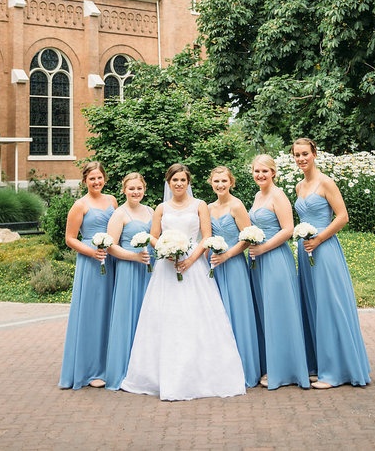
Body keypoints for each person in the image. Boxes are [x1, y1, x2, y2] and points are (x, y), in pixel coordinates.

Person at [121, 163, 246, 400]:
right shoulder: (161, 208)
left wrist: (191, 260)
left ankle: (201, 376)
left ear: (188, 183)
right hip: (166, 269)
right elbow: (153, 236)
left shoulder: (200, 206)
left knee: (196, 318)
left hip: (194, 267)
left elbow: (206, 236)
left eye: (183, 180)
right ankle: (159, 376)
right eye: (175, 180)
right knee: (166, 319)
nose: (179, 184)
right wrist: (165, 251)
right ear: (169, 183)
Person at [293, 137, 371, 389]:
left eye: (305, 153)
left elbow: (342, 216)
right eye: (297, 155)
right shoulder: (298, 187)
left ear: (314, 153)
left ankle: (336, 371)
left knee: (329, 305)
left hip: (324, 249)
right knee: (311, 304)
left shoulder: (325, 182)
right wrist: (307, 242)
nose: (301, 159)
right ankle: (318, 365)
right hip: (305, 252)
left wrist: (319, 239)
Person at [248, 153, 310, 390]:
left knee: (279, 311)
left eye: (265, 171)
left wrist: (262, 248)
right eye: (257, 171)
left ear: (273, 172)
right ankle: (271, 364)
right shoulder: (257, 195)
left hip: (275, 258)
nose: (260, 175)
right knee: (266, 312)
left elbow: (287, 229)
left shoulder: (278, 195)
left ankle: (285, 369)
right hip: (258, 261)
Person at [58, 161, 117, 390]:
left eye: (99, 177)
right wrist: (92, 252)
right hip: (90, 262)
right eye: (92, 178)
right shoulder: (79, 205)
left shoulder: (112, 201)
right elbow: (70, 238)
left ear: (105, 179)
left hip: (111, 260)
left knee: (109, 311)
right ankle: (90, 369)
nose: (96, 182)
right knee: (91, 313)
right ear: (85, 181)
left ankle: (108, 365)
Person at [207, 165, 261, 388]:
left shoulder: (237, 206)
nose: (220, 185)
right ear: (211, 183)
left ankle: (244, 369)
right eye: (216, 181)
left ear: (231, 182)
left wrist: (227, 254)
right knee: (217, 316)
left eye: (224, 181)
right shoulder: (207, 208)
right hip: (214, 267)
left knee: (237, 314)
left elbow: (248, 238)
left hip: (234, 264)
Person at [104, 172, 154, 391]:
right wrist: (134, 256)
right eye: (131, 188)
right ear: (124, 190)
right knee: (127, 317)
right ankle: (122, 370)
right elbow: (110, 245)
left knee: (148, 318)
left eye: (139, 188)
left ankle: (145, 371)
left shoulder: (151, 212)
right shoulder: (119, 214)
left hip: (149, 271)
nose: (136, 192)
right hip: (128, 270)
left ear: (144, 189)